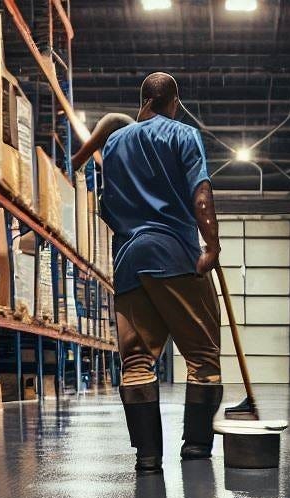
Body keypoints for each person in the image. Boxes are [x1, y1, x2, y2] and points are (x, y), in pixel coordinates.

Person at [82, 72, 223, 475]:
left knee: (137, 361)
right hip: (176, 255)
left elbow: (107, 208)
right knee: (202, 356)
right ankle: (195, 450)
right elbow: (201, 194)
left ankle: (147, 458)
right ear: (173, 102)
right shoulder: (183, 135)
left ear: (142, 101)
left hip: (129, 261)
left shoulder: (113, 143)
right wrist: (211, 246)